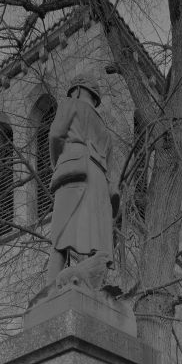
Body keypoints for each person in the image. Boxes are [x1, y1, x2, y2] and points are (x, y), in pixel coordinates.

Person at [46, 73, 120, 284]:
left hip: (75, 170)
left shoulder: (70, 104)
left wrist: (59, 163)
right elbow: (110, 164)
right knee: (96, 237)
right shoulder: (104, 128)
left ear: (77, 90)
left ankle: (50, 290)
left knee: (60, 232)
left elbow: (55, 135)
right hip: (99, 179)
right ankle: (96, 287)